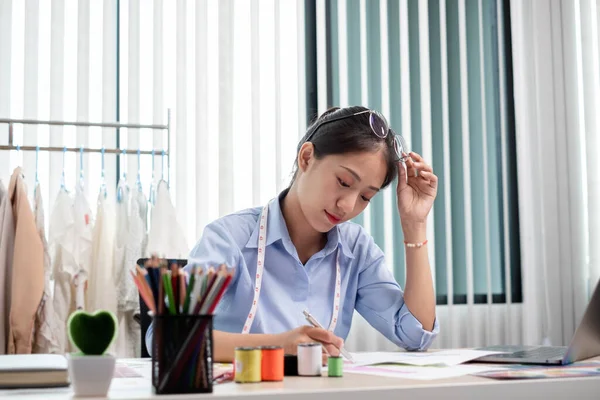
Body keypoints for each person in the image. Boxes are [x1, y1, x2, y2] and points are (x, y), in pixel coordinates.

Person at [145, 106, 439, 362]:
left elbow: (415, 334)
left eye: (365, 197)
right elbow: (165, 337)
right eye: (343, 181)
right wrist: (278, 346)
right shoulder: (231, 239)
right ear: (307, 157)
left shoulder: (356, 250)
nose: (347, 205)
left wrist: (415, 223)